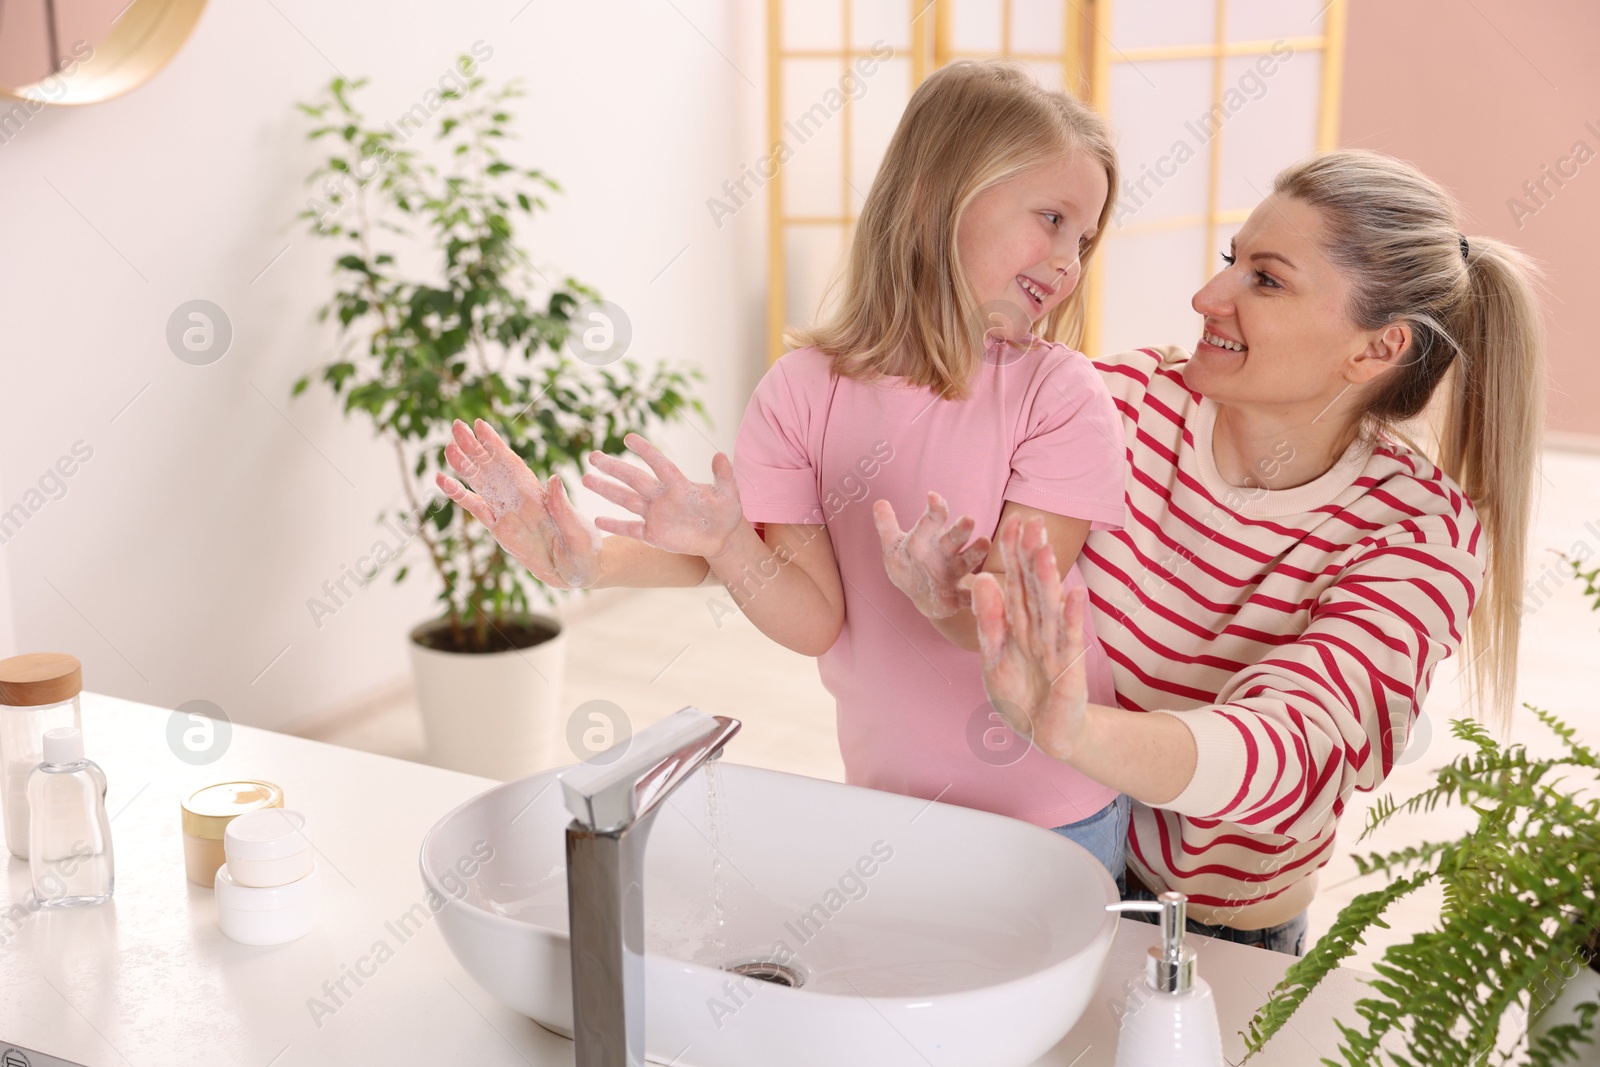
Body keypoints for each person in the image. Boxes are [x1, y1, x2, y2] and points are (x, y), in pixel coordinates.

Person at [435, 60, 1137, 878]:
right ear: (935, 198)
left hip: (1051, 821)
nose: (1067, 259)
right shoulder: (803, 393)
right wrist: (726, 543)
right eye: (1051, 218)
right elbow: (813, 619)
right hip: (883, 810)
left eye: (1083, 237)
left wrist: (946, 599)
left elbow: (1016, 633)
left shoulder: (1058, 395)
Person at [959, 149, 1544, 955]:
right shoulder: (1118, 404)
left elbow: (1294, 746)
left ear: (1376, 349)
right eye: (1232, 261)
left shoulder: (1417, 534)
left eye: (1264, 280)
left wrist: (1076, 732)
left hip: (1213, 931)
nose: (1206, 297)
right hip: (1049, 863)